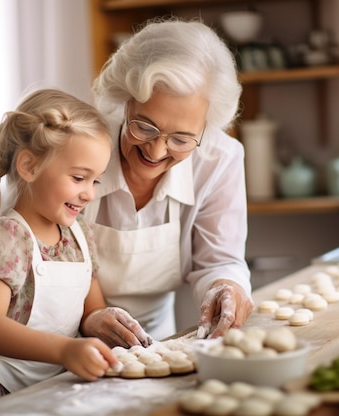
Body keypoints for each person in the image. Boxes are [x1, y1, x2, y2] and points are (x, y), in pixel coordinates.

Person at [0, 89, 149, 416]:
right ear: (29, 166)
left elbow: (91, 309)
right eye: (79, 177)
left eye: (96, 181)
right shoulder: (8, 236)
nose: (89, 193)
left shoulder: (79, 235)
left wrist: (101, 321)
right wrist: (65, 350)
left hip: (48, 388)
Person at [80, 18, 255, 343]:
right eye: (144, 126)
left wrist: (226, 287)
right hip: (62, 338)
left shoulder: (219, 159)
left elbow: (220, 260)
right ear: (126, 99)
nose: (157, 150)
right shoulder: (80, 146)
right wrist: (89, 318)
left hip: (153, 338)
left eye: (182, 138)